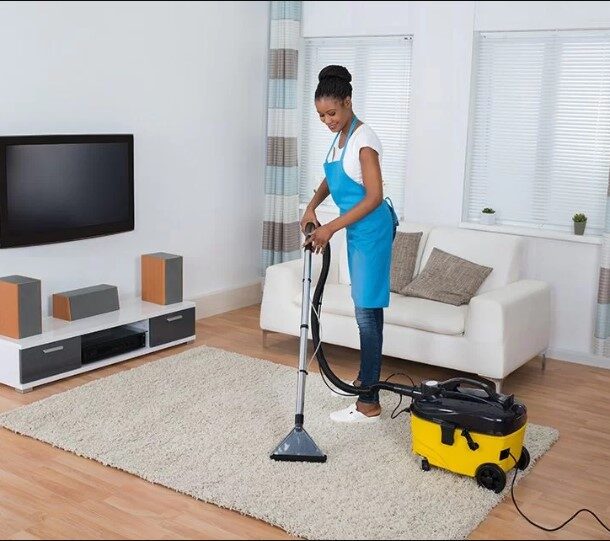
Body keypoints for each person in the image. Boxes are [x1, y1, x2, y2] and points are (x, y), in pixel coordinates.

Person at [301, 65, 398, 424]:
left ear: (348, 102)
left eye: (332, 113)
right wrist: (312, 205)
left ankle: (368, 402)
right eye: (321, 116)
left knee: (367, 314)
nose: (327, 120)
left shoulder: (364, 138)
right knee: (367, 311)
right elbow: (331, 176)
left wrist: (330, 229)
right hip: (357, 230)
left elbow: (374, 196)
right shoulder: (340, 136)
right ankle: (367, 391)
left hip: (371, 230)